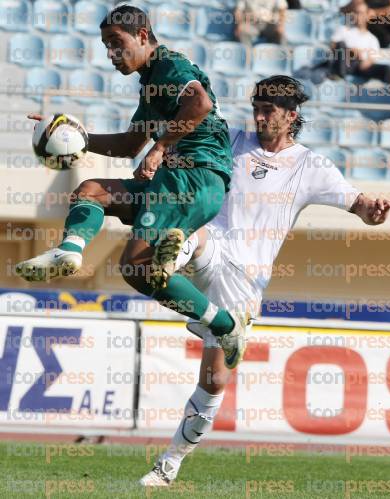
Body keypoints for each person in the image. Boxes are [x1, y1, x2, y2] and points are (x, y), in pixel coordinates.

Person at [138, 75, 390, 486]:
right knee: (190, 236)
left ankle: (169, 464)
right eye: (256, 107)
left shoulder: (311, 166)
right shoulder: (233, 141)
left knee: (212, 381)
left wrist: (374, 211)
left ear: (291, 115)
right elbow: (179, 124)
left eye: (268, 110)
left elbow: (358, 204)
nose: (259, 116)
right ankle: (173, 257)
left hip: (246, 280)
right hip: (214, 247)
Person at [15, 4, 249, 369]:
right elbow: (127, 146)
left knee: (136, 268)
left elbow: (199, 103)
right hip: (178, 180)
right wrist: (71, 134)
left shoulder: (171, 66)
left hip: (193, 175)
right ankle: (70, 250)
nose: (110, 54)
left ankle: (225, 323)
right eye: (105, 45)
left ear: (142, 35)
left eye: (116, 42)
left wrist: (161, 147)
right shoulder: (151, 88)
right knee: (90, 191)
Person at [330, 1, 390, 100]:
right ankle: (339, 77)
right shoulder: (343, 30)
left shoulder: (372, 38)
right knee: (342, 45)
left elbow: (372, 58)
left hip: (362, 67)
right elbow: (333, 48)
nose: (359, 16)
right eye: (356, 12)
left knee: (388, 69)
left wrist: (368, 61)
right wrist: (352, 51)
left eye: (362, 13)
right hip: (345, 64)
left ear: (368, 15)